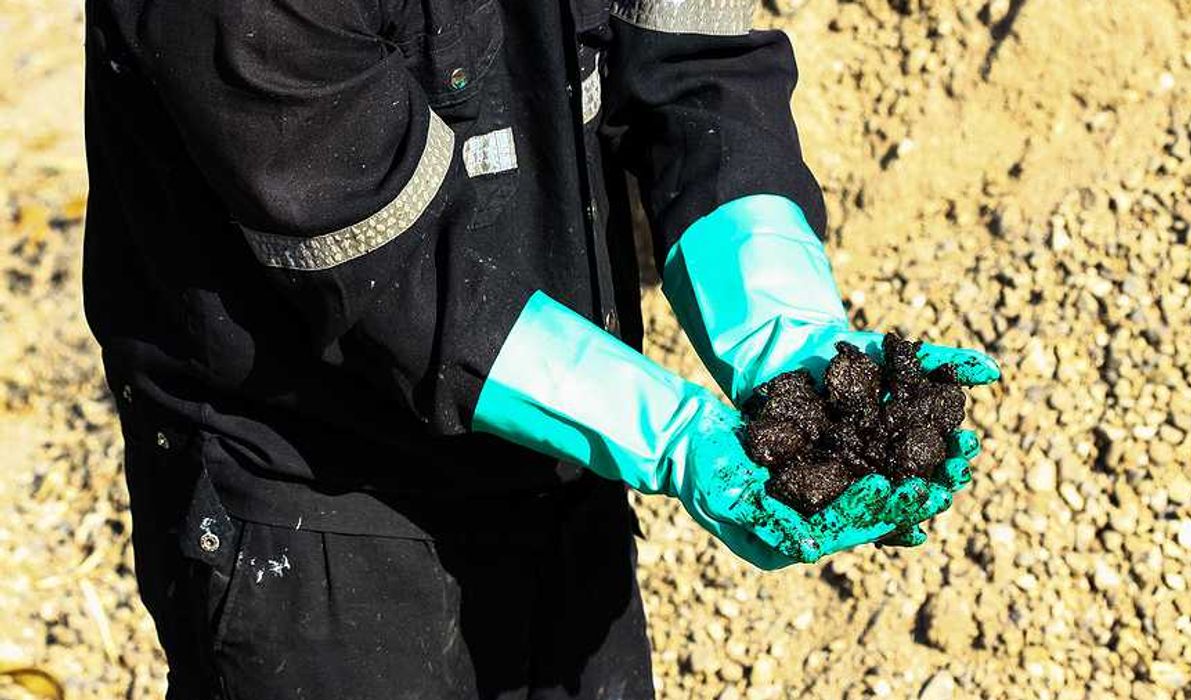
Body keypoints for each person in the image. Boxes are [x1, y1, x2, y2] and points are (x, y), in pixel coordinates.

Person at [82, 0, 1000, 697]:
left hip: (557, 464)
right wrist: (675, 435)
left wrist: (782, 328)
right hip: (311, 505)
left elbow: (696, 59)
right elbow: (391, 273)